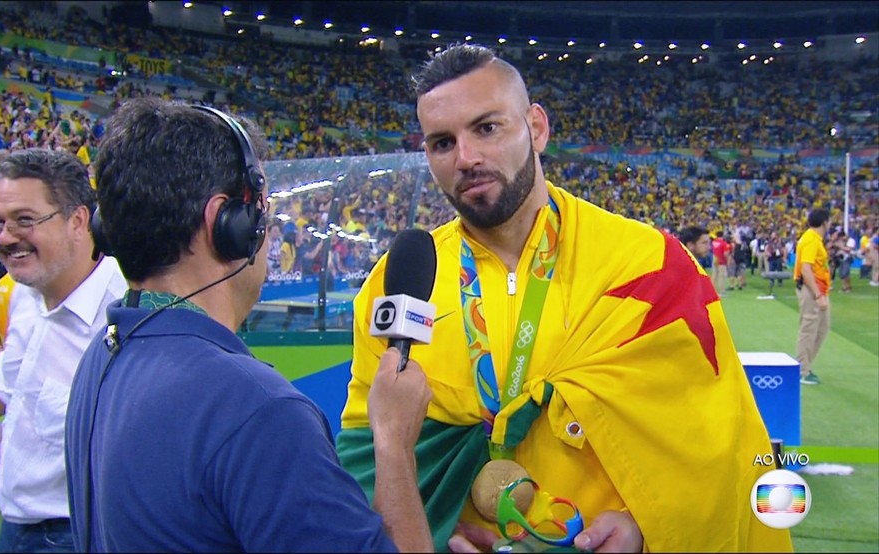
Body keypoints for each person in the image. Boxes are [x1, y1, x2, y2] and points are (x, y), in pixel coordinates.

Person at [336, 44, 792, 553]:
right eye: (443, 142)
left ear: (536, 127)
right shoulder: (395, 285)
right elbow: (366, 455)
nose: (466, 158)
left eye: (487, 128)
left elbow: (720, 449)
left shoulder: (650, 266)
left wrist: (644, 528)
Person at [64, 98, 433, 552]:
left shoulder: (98, 358)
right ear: (226, 223)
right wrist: (394, 444)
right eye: (263, 212)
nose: (268, 229)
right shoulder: (257, 408)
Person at [0, 149, 127, 553]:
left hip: (78, 532)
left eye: (24, 220)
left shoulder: (127, 310)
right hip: (17, 526)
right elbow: (10, 381)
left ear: (78, 220)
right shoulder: (25, 295)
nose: (4, 237)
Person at [793, 208, 831, 386]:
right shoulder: (810, 240)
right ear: (825, 222)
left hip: (819, 288)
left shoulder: (815, 239)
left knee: (822, 328)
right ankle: (801, 370)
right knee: (809, 328)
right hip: (811, 289)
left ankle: (805, 365)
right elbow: (805, 268)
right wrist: (817, 295)